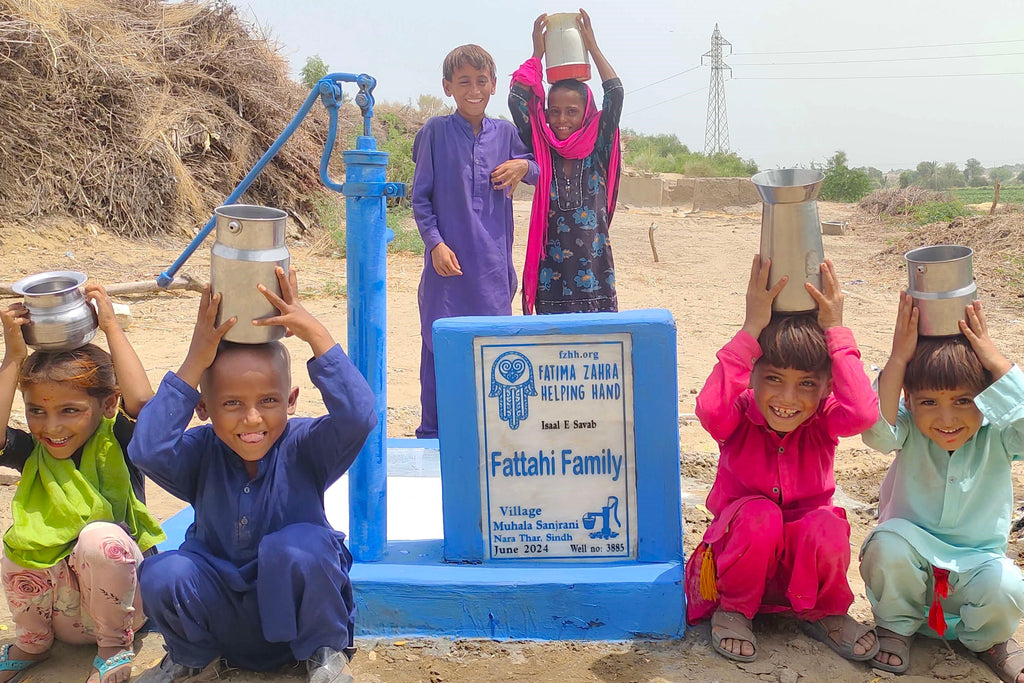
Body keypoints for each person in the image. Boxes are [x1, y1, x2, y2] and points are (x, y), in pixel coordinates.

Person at [129, 268, 375, 683]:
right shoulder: (200, 453)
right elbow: (147, 449)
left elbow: (358, 415)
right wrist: (195, 360)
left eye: (269, 400)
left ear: (292, 400)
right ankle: (192, 657)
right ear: (202, 408)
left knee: (299, 547)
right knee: (161, 572)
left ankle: (324, 656)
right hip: (225, 619)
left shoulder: (305, 447)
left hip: (297, 620)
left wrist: (314, 331)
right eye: (231, 404)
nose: (252, 419)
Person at [685, 255, 880, 664]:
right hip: (737, 566)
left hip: (801, 576)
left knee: (827, 520)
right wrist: (751, 327)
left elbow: (863, 413)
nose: (788, 400)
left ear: (827, 387)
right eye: (773, 378)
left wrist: (837, 333)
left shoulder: (824, 419)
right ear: (751, 374)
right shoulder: (737, 415)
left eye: (806, 384)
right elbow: (707, 408)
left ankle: (825, 612)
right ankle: (735, 610)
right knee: (759, 514)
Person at [0, 285, 165, 683]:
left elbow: (143, 403)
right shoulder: (32, 452)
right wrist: (14, 355)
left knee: (99, 539)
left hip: (126, 608)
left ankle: (113, 649)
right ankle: (32, 644)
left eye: (69, 410)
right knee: (20, 540)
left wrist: (109, 326)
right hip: (62, 619)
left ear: (107, 404)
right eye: (37, 411)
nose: (51, 426)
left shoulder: (119, 440)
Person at [859, 293, 1024, 682]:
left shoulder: (998, 434)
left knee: (1010, 586)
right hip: (908, 566)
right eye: (929, 402)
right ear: (908, 401)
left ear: (985, 400)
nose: (946, 419)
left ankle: (989, 640)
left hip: (974, 571)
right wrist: (899, 358)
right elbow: (876, 433)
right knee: (885, 544)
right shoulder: (909, 429)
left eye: (963, 400)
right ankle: (895, 628)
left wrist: (995, 360)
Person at [412, 43, 539, 439]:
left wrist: (523, 165)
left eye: (481, 81)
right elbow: (420, 198)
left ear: (493, 86)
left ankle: (494, 433)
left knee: (494, 351)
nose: (473, 89)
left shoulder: (506, 134)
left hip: (492, 267)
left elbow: (540, 171)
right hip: (447, 266)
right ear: (448, 87)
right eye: (463, 81)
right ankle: (433, 433)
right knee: (440, 346)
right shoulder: (434, 132)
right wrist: (435, 244)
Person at [509, 8, 622, 315]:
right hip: (551, 275)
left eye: (571, 111)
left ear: (585, 113)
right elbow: (517, 101)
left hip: (596, 272)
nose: (561, 120)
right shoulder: (543, 146)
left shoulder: (598, 147)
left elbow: (615, 93)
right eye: (553, 111)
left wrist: (593, 47)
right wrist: (536, 55)